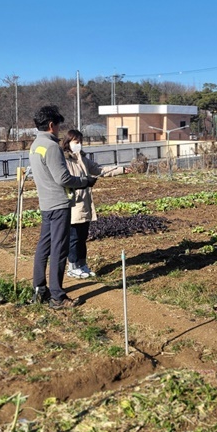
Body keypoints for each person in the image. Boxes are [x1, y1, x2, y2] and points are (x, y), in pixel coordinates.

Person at [30, 107, 98, 309]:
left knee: (43, 248)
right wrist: (84, 182)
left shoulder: (35, 146)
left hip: (45, 204)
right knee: (59, 250)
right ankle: (57, 296)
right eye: (58, 125)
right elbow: (63, 178)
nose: (59, 130)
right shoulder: (51, 147)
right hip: (59, 205)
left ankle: (39, 289)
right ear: (51, 125)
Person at [61, 129, 127, 279]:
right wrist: (83, 183)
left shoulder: (82, 158)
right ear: (68, 142)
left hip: (85, 202)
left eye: (80, 142)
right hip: (73, 202)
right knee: (74, 237)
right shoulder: (64, 160)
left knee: (82, 237)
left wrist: (121, 170)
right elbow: (64, 179)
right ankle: (72, 266)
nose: (79, 145)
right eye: (76, 142)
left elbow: (98, 169)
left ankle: (82, 265)